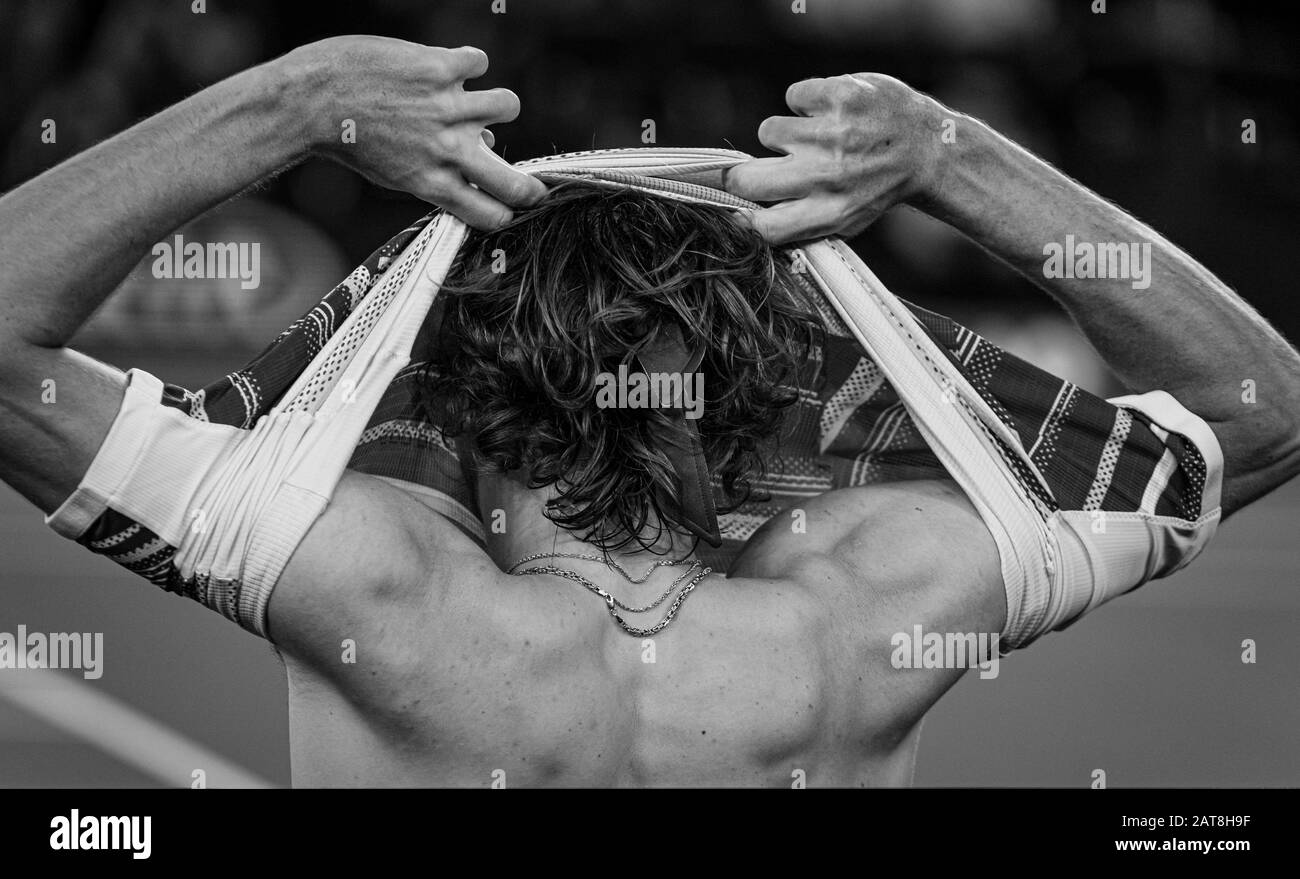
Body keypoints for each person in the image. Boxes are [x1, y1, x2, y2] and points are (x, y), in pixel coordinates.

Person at [1, 37, 1296, 786]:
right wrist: (952, 158)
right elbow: (1264, 415)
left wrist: (296, 98)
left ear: (457, 387)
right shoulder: (872, 617)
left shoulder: (372, 595)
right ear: (779, 400)